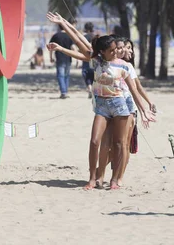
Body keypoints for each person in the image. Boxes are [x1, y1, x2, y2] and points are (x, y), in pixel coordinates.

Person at [46, 12, 151, 191]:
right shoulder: (97, 61)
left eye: (116, 49)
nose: (115, 52)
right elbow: (79, 41)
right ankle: (93, 178)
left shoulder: (124, 65)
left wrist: (143, 110)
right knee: (95, 141)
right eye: (112, 50)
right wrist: (63, 24)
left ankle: (115, 180)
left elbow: (134, 90)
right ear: (102, 51)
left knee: (119, 144)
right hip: (102, 106)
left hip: (120, 105)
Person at [97, 37, 156, 187]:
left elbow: (136, 88)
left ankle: (118, 177)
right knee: (107, 143)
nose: (126, 50)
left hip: (128, 106)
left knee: (123, 144)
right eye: (123, 47)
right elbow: (85, 50)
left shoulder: (127, 66)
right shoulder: (106, 63)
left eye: (129, 47)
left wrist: (146, 106)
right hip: (110, 105)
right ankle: (101, 172)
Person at [49, 25, 74, 99]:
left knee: (60, 76)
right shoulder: (69, 36)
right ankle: (65, 91)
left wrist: (51, 57)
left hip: (59, 58)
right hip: (68, 57)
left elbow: (51, 47)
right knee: (66, 76)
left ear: (59, 27)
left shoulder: (56, 36)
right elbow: (73, 47)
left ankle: (63, 92)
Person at [82, 22, 96, 98]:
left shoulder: (84, 37)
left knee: (85, 73)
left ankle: (89, 87)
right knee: (93, 73)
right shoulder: (95, 37)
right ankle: (92, 88)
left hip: (85, 57)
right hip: (95, 58)